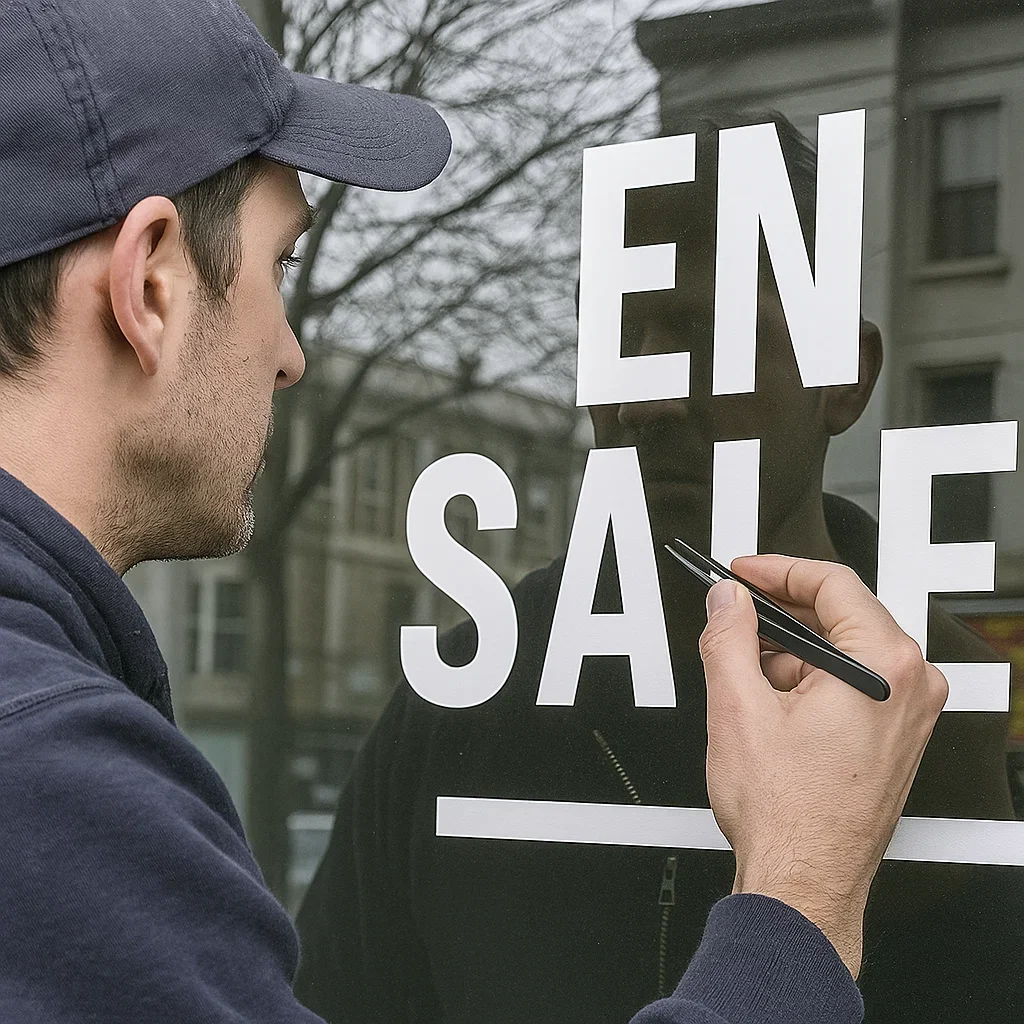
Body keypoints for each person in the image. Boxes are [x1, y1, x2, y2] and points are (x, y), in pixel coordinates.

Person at [0, 3, 944, 1023]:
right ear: (148, 284)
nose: (291, 353)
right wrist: (798, 908)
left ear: (845, 376)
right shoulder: (62, 785)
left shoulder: (967, 695)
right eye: (279, 268)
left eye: (709, 335)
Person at [294, 112, 1021, 1024]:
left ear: (844, 374)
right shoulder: (473, 694)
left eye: (707, 337)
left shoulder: (954, 709)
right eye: (616, 339)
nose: (648, 394)